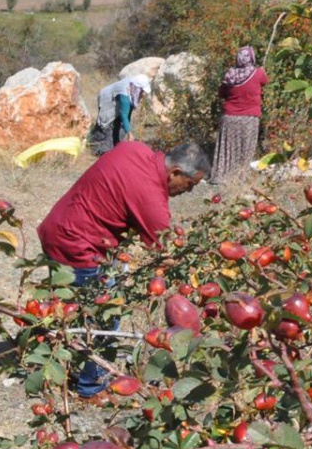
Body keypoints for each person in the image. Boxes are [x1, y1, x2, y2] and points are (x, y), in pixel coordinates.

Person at [37, 140, 211, 398]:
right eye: (190, 185)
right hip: (80, 248)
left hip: (57, 228)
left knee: (65, 308)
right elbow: (162, 254)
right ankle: (90, 387)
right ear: (174, 172)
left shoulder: (135, 149)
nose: (187, 192)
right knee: (103, 316)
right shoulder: (151, 198)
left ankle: (49, 364)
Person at [212, 46, 268, 184]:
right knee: (245, 148)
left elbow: (221, 94)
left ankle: (222, 177)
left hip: (229, 117)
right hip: (249, 119)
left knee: (227, 149)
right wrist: (262, 70)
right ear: (252, 58)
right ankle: (240, 178)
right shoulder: (258, 73)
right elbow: (265, 82)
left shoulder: (230, 75)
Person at [89, 74, 150, 155]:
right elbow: (124, 114)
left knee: (121, 125)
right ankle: (99, 149)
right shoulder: (125, 93)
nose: (143, 94)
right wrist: (130, 133)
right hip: (107, 100)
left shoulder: (132, 88)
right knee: (107, 125)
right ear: (137, 88)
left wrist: (127, 129)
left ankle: (116, 147)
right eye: (142, 91)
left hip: (117, 101)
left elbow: (127, 113)